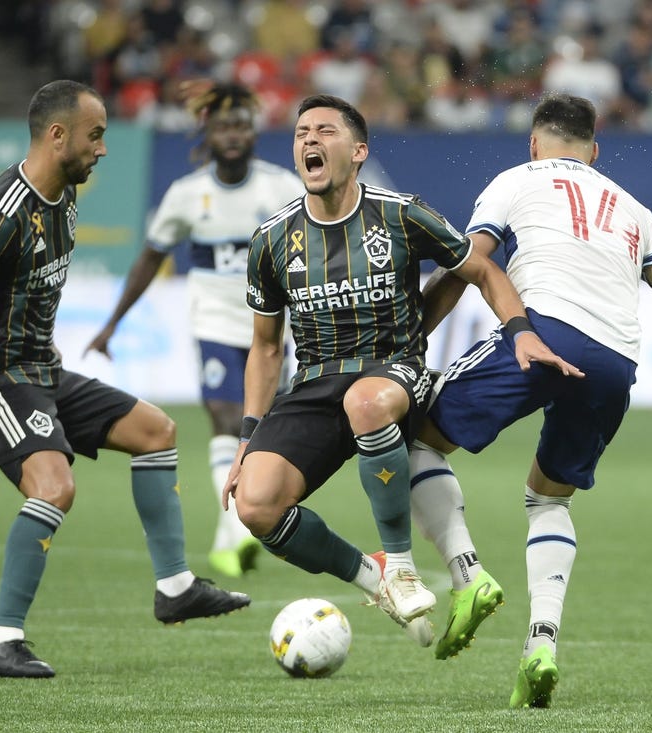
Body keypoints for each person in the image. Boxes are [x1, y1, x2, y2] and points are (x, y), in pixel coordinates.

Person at [407, 93, 652, 706]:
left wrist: (414, 337)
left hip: (542, 332)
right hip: (615, 363)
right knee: (548, 498)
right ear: (594, 152)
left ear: (533, 143)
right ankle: (541, 644)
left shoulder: (516, 179)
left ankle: (468, 575)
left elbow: (470, 264)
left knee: (417, 440)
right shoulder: (633, 208)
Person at [222, 94, 576, 641]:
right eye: (301, 133)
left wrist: (520, 331)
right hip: (313, 383)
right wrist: (248, 437)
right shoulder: (271, 240)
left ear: (358, 151)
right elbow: (266, 349)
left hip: (391, 369)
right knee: (255, 506)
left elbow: (479, 270)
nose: (310, 139)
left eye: (325, 131)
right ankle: (375, 576)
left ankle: (403, 565)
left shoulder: (400, 213)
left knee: (365, 400)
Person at [0, 80, 249, 680]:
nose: (102, 149)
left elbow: (30, 289)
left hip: (42, 369)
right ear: (57, 136)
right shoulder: (0, 215)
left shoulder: (64, 195)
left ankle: (175, 587)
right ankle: (3, 640)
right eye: (95, 135)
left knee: (156, 431)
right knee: (54, 488)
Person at [87, 82, 305, 578]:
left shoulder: (281, 190)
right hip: (214, 322)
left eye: (241, 126)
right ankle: (238, 527)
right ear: (207, 134)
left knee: (263, 428)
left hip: (271, 329)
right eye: (223, 127)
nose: (233, 135)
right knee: (227, 419)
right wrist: (112, 323)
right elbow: (150, 258)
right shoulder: (187, 196)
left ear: (253, 133)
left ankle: (232, 534)